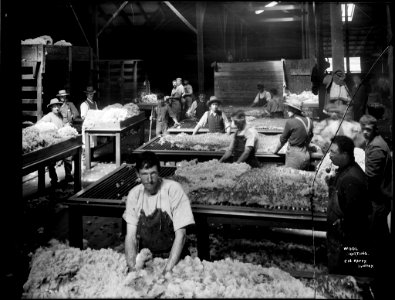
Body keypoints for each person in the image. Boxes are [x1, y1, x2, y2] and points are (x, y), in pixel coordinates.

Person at [123, 151, 195, 273]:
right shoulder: (134, 195)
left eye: (153, 173)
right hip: (147, 257)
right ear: (137, 174)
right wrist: (132, 268)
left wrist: (168, 270)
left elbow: (181, 235)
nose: (149, 179)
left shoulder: (173, 190)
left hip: (175, 257)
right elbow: (131, 237)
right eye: (144, 174)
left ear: (159, 172)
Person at [325, 135, 372, 274]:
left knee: (341, 276)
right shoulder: (345, 170)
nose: (329, 156)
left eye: (333, 152)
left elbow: (355, 217)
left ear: (345, 154)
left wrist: (339, 229)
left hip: (344, 242)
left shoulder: (352, 178)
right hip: (338, 239)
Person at [359, 114, 392, 299]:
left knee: (374, 241)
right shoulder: (374, 142)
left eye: (368, 129)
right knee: (382, 240)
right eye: (362, 128)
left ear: (374, 129)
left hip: (377, 201)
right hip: (380, 200)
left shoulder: (377, 147)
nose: (365, 132)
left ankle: (374, 284)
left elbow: (371, 179)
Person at [37, 98, 74, 186]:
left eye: (58, 106)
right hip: (53, 142)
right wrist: (50, 128)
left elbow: (63, 124)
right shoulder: (49, 116)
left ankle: (68, 176)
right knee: (51, 161)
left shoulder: (61, 115)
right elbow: (40, 124)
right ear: (51, 108)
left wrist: (66, 125)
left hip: (61, 140)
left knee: (68, 157)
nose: (57, 108)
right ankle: (53, 178)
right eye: (54, 106)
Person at [273, 98, 313, 170]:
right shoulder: (310, 121)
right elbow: (310, 137)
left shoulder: (290, 122)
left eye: (289, 108)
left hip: (294, 157)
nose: (287, 110)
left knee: (290, 179)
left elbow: (282, 140)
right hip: (306, 155)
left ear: (294, 110)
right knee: (303, 179)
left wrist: (275, 151)